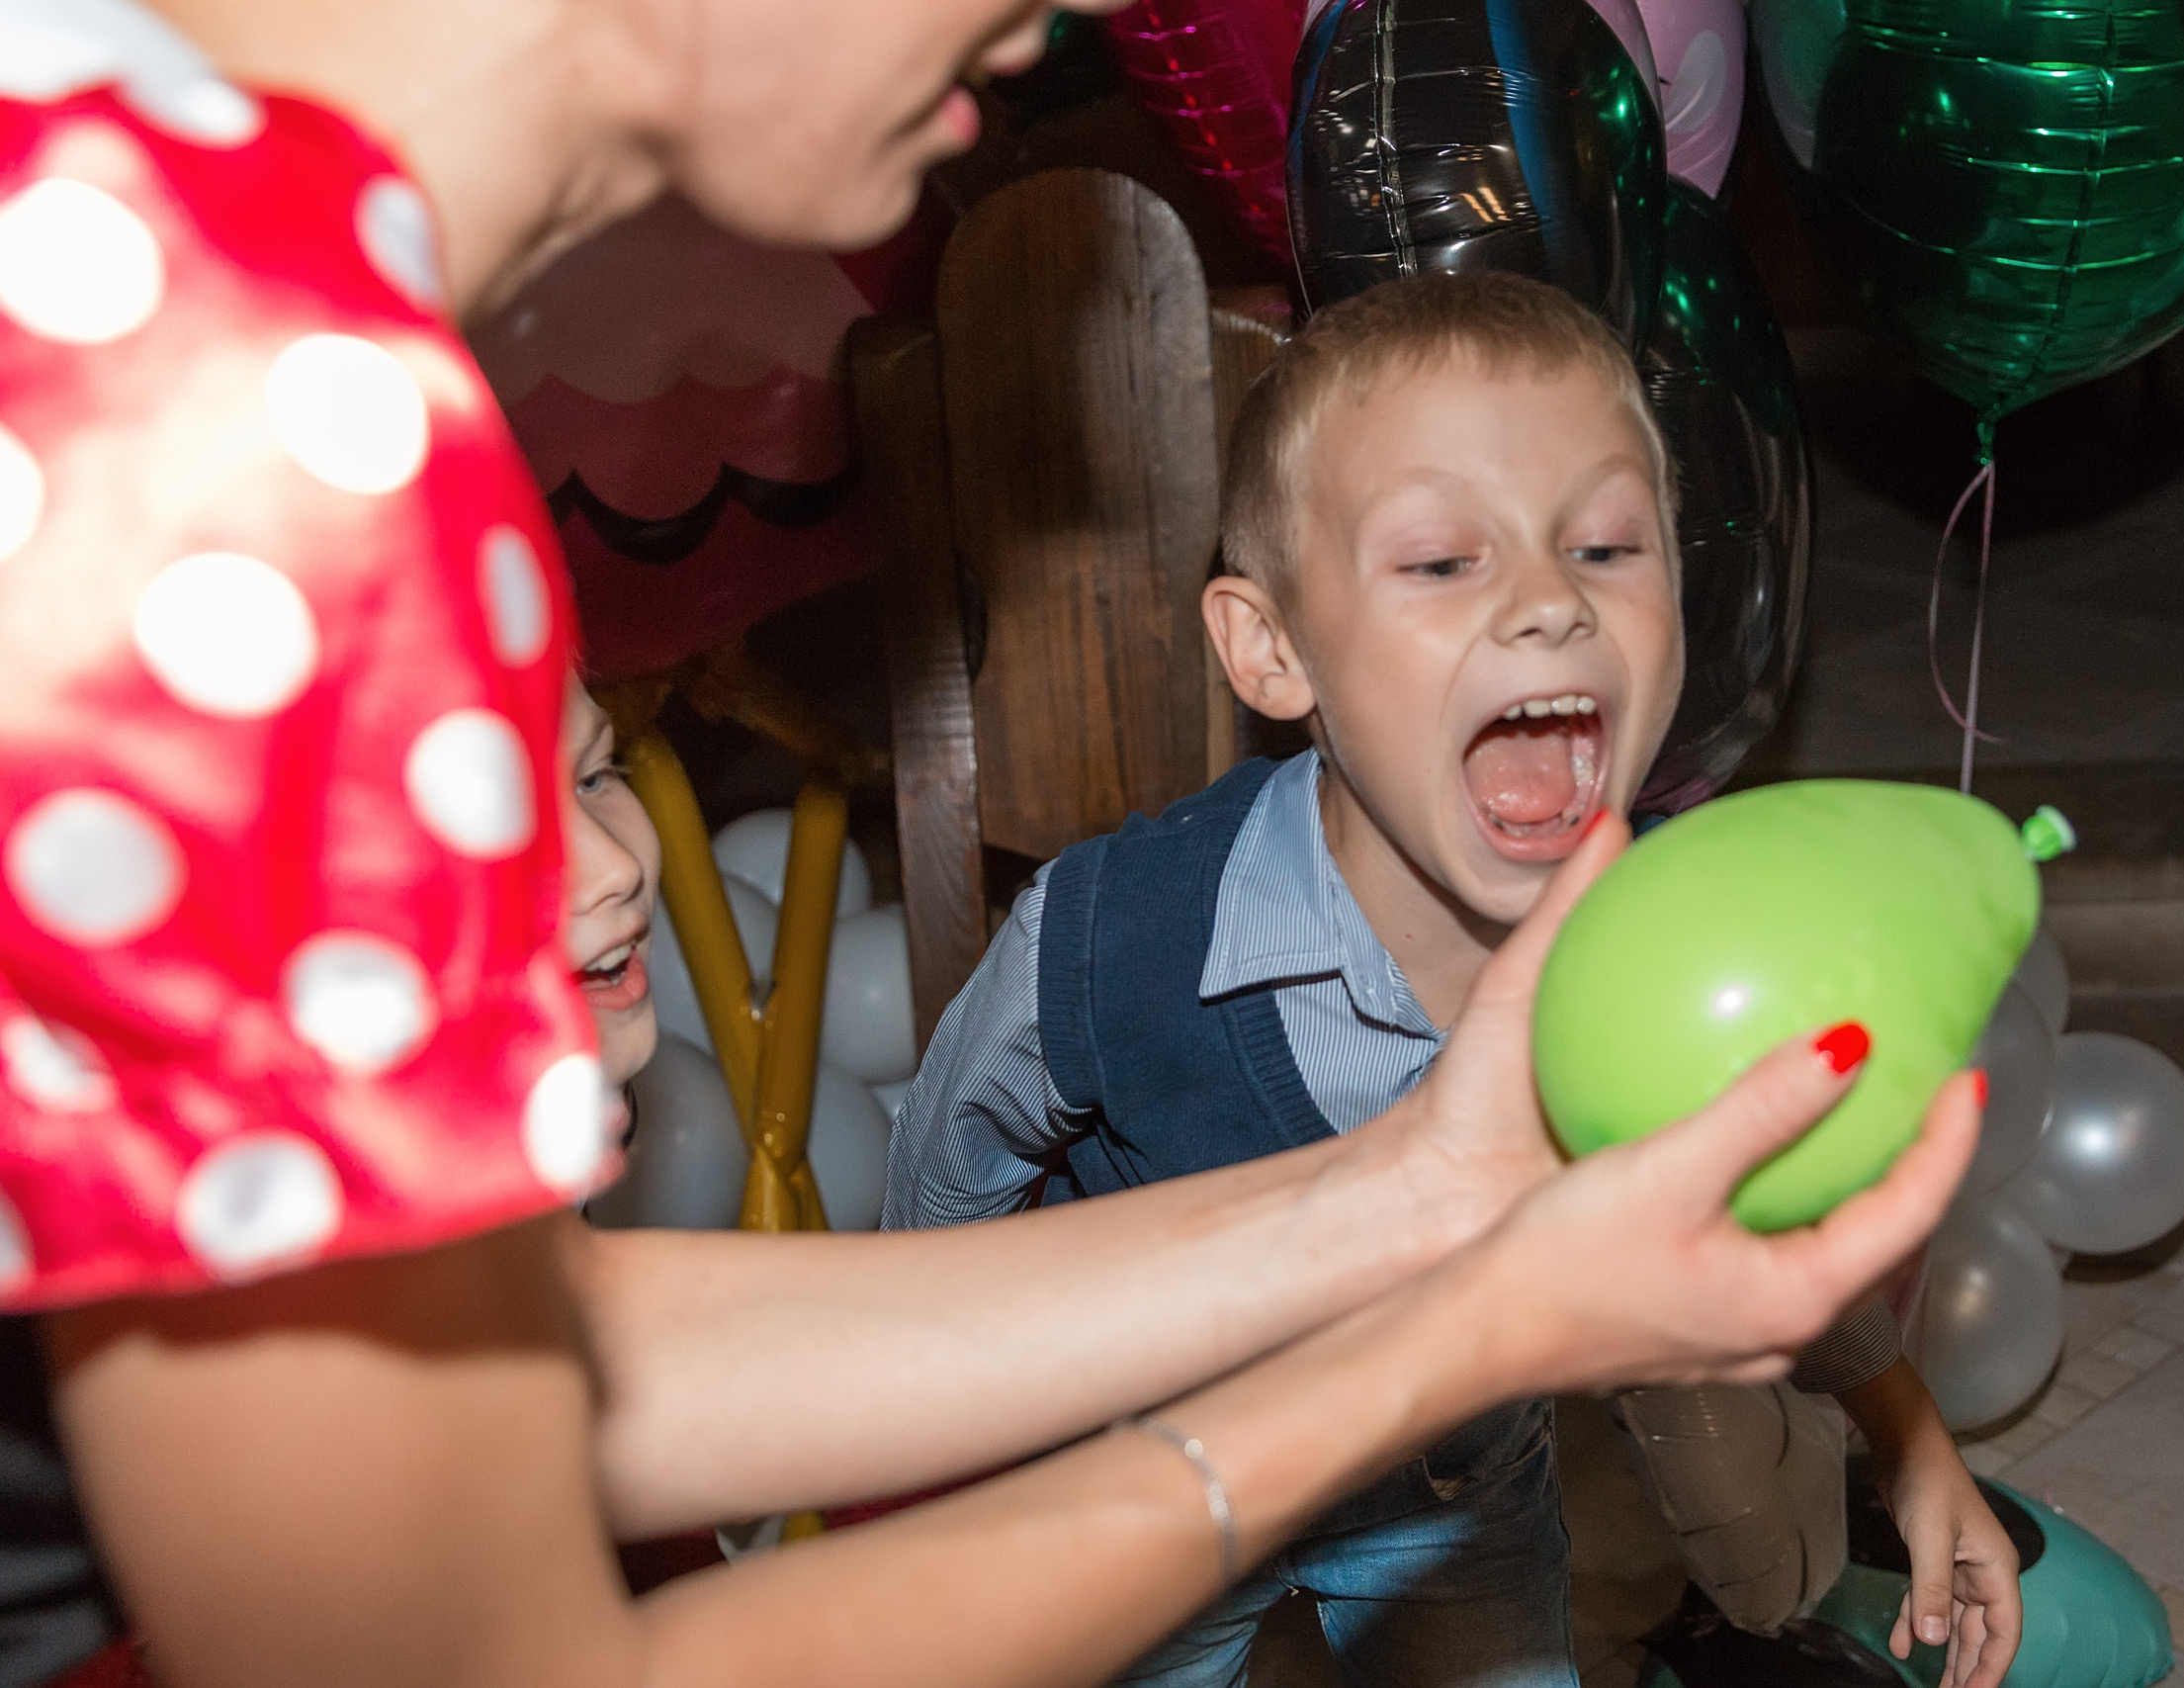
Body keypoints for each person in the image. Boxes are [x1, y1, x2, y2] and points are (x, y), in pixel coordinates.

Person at [0, 1, 1984, 1685]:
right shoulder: (206, 449)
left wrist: (1409, 1200)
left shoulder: (181, 279)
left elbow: (541, 1363)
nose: (1075, 15)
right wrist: (1438, 1342)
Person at [885, 273, 2020, 1688]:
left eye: (1606, 544)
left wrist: (1907, 1435)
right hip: (1143, 1480)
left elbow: (1761, 1195)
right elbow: (941, 1190)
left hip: (1452, 1495)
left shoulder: (1681, 942)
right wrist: (948, 1441)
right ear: (1273, 650)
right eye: (1440, 561)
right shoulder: (1110, 940)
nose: (1549, 601)